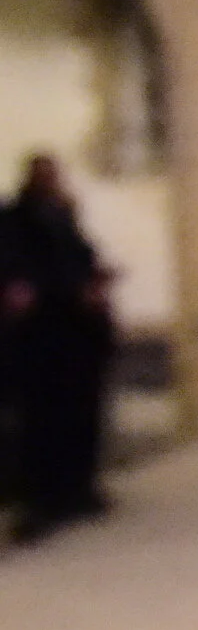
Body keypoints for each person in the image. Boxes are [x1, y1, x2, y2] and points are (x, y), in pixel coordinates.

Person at [4, 154, 116, 541]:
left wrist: (96, 281)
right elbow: (23, 273)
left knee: (79, 415)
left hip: (76, 335)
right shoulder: (16, 219)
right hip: (42, 338)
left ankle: (77, 490)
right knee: (40, 423)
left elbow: (82, 259)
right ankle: (43, 500)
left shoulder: (64, 216)